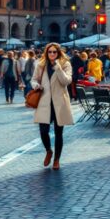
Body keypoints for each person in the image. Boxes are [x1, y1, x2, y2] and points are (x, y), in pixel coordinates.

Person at [30, 43, 74, 171]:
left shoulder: (65, 64)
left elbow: (66, 81)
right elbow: (33, 80)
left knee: (58, 133)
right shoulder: (41, 64)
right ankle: (49, 150)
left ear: (59, 53)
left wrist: (58, 68)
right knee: (43, 131)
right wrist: (36, 85)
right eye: (50, 52)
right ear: (46, 53)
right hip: (44, 102)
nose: (52, 54)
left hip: (59, 103)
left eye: (55, 52)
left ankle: (56, 160)